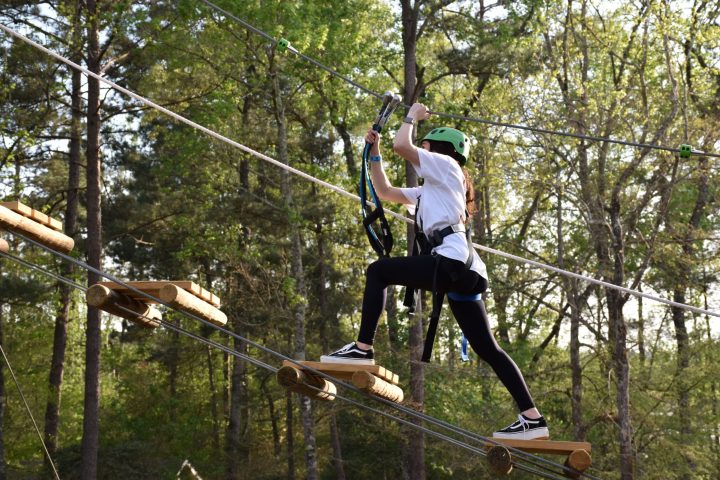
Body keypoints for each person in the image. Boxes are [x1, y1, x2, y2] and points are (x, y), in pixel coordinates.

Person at [321, 103, 548, 440]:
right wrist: (375, 153)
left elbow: (404, 145)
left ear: (440, 150)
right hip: (462, 270)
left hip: (452, 262)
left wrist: (411, 116)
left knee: (378, 271)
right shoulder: (431, 189)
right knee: (488, 348)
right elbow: (384, 191)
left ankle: (362, 348)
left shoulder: (446, 166)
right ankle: (532, 420)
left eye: (424, 145)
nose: (419, 150)